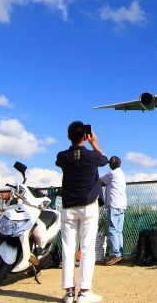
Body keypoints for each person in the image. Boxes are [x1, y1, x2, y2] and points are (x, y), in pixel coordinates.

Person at [56, 121, 109, 303]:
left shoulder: (62, 156)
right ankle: (84, 293)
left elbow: (60, 160)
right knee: (87, 249)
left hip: (68, 207)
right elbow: (104, 160)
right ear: (85, 136)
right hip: (88, 206)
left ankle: (69, 293)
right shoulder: (92, 156)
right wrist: (94, 143)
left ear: (69, 136)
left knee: (68, 249)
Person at [100, 155, 127, 266]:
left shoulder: (112, 173)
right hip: (122, 205)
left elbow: (100, 182)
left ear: (111, 164)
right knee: (118, 231)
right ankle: (120, 253)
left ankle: (116, 254)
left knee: (112, 231)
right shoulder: (121, 173)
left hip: (114, 205)